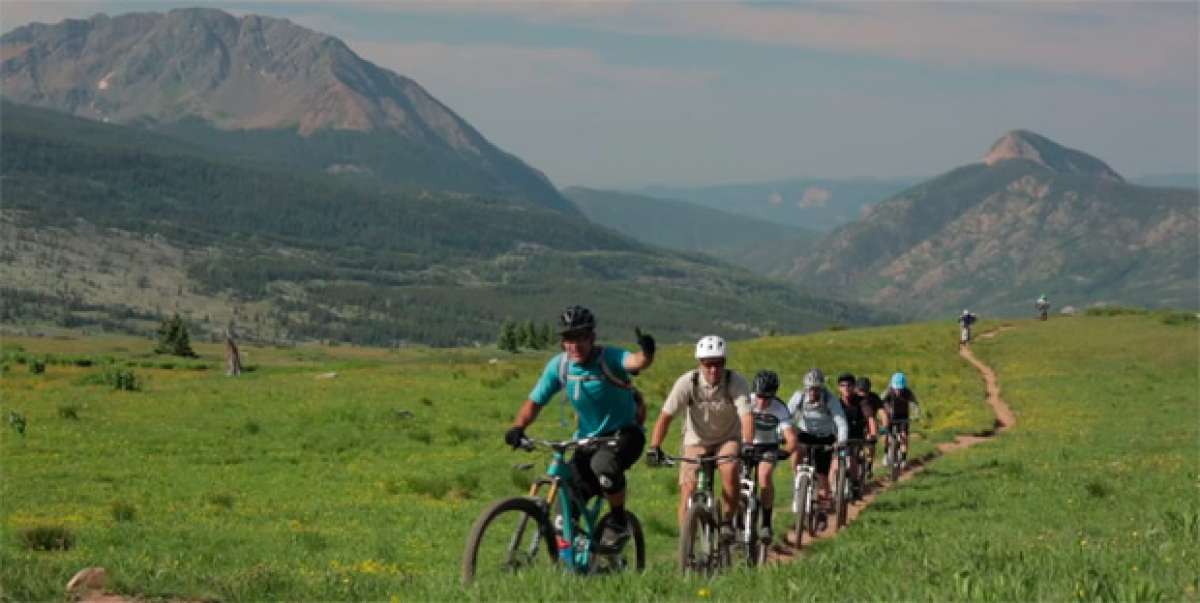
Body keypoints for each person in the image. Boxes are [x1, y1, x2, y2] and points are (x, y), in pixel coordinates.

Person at [504, 305, 656, 546]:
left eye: (580, 338)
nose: (574, 345)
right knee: (565, 510)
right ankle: (574, 566)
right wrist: (517, 427)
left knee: (603, 465)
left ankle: (618, 521)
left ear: (592, 337)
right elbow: (534, 402)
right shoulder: (560, 366)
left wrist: (647, 352)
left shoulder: (610, 358)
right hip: (587, 440)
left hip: (624, 434)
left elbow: (635, 362)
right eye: (568, 339)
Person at [646, 335, 754, 538]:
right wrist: (654, 446)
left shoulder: (735, 381)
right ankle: (686, 546)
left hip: (727, 438)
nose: (713, 370)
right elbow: (665, 416)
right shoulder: (688, 382)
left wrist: (748, 443)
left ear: (725, 363)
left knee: (730, 470)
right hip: (696, 440)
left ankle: (727, 521)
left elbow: (746, 416)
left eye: (719, 364)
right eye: (708, 364)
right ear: (700, 363)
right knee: (687, 490)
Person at [746, 370, 798, 543]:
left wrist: (787, 451)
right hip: (746, 444)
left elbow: (790, 436)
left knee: (764, 476)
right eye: (759, 396)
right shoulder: (746, 402)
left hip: (768, 447)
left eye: (767, 397)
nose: (762, 401)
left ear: (774, 394)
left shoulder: (779, 408)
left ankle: (766, 523)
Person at [786, 368, 847, 508]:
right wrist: (782, 434)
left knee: (822, 475)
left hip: (825, 437)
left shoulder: (830, 399)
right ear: (806, 388)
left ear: (822, 388)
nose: (813, 392)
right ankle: (799, 484)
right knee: (795, 452)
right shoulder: (799, 396)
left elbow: (841, 421)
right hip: (805, 434)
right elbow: (786, 417)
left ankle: (823, 501)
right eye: (810, 389)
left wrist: (842, 440)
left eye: (817, 389)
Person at [835, 372, 877, 495]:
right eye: (842, 385)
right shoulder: (836, 404)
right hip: (840, 438)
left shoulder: (861, 402)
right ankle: (830, 492)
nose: (846, 388)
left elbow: (870, 418)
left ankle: (855, 483)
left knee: (852, 457)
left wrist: (873, 433)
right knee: (834, 463)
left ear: (854, 387)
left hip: (856, 437)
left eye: (849, 385)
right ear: (839, 388)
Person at [880, 371, 920, 467]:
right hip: (890, 417)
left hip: (903, 417)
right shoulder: (888, 391)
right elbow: (879, 402)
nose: (898, 391)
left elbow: (914, 404)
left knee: (904, 436)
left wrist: (916, 414)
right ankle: (886, 455)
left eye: (900, 389)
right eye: (896, 388)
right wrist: (883, 413)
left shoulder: (908, 392)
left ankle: (903, 458)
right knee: (886, 435)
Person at [854, 376, 884, 476]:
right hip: (855, 426)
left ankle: (869, 466)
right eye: (860, 390)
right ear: (856, 389)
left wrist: (884, 426)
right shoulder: (851, 397)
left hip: (870, 426)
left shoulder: (874, 398)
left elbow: (882, 412)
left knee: (871, 444)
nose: (862, 393)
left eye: (865, 391)